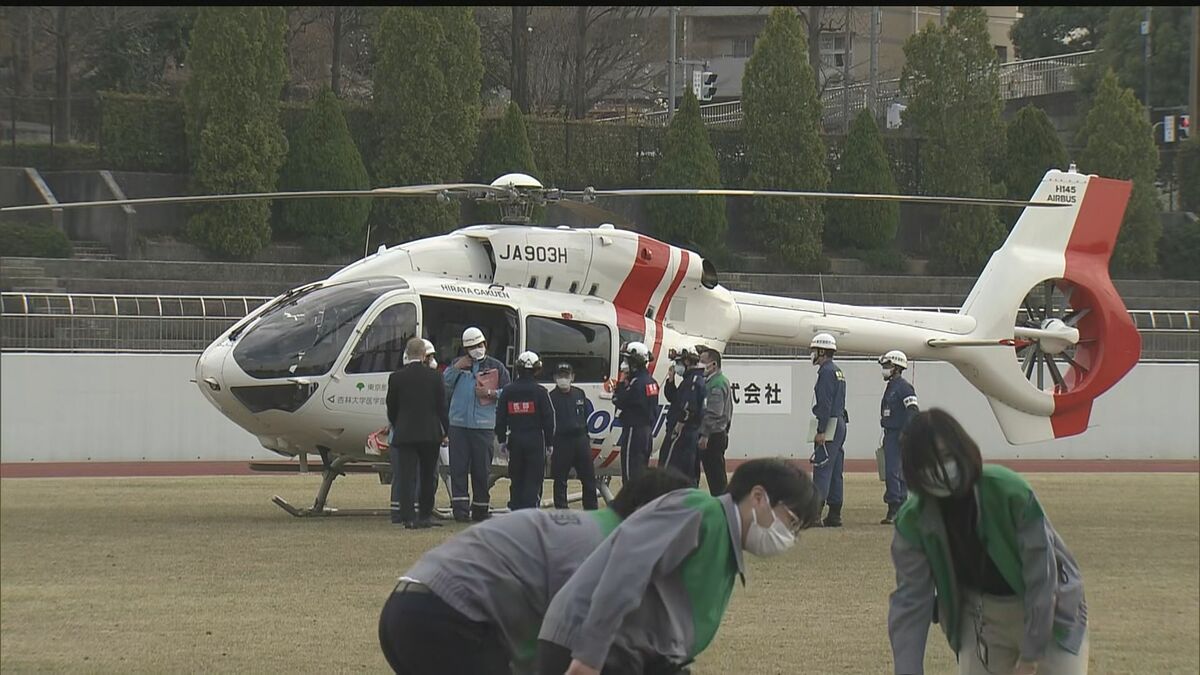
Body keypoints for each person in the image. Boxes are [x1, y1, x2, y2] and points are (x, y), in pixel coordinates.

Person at [378, 467, 694, 675]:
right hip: (448, 620)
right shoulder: (608, 548)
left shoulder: (585, 529)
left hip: (407, 608)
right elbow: (571, 643)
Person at [535, 458, 824, 675]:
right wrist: (588, 656)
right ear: (758, 497)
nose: (790, 536)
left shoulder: (726, 544)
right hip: (589, 649)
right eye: (792, 522)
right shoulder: (701, 512)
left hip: (632, 657)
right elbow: (626, 570)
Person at [888, 409, 1089, 675]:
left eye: (946, 456)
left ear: (962, 449)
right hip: (981, 619)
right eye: (927, 463)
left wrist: (1030, 657)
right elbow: (910, 603)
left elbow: (1042, 578)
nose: (939, 468)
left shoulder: (1010, 492)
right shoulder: (912, 521)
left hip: (1050, 613)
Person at [444, 326, 512, 522]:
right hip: (458, 425)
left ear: (485, 344)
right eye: (472, 346)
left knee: (481, 470)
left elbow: (508, 393)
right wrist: (456, 369)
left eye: (479, 345)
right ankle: (460, 511)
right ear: (465, 348)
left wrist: (490, 394)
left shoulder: (497, 367)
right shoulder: (457, 365)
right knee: (458, 469)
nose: (477, 349)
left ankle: (481, 509)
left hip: (483, 426)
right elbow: (443, 386)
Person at [386, 337, 450, 529]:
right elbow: (442, 407)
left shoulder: (396, 377)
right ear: (424, 355)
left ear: (407, 354)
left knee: (407, 476)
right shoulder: (435, 376)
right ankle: (424, 515)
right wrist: (445, 430)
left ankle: (408, 516)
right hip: (430, 433)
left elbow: (392, 407)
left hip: (405, 433)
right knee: (428, 475)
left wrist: (398, 424)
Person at [496, 351, 556, 511]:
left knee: (516, 476)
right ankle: (530, 508)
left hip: (514, 438)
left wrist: (502, 439)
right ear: (537, 370)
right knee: (534, 476)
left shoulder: (508, 391)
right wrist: (550, 443)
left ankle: (515, 507)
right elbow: (549, 419)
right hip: (535, 439)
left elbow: (500, 416)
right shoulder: (541, 392)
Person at [809, 332, 848, 528]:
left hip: (830, 423)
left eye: (815, 350)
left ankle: (815, 514)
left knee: (822, 467)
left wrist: (821, 430)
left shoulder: (825, 372)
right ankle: (835, 513)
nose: (813, 354)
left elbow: (824, 404)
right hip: (840, 421)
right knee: (835, 470)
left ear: (822, 351)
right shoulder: (838, 371)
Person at [548, 363, 598, 510]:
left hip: (580, 440)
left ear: (572, 377)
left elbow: (586, 415)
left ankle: (591, 510)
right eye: (560, 376)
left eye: (566, 376)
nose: (563, 379)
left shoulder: (579, 393)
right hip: (561, 441)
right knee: (560, 479)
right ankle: (561, 511)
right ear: (555, 378)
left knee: (589, 478)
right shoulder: (550, 397)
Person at [878, 349, 919, 525]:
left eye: (888, 366)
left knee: (893, 471)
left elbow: (913, 410)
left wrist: (906, 432)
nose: (884, 369)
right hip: (891, 433)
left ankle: (895, 506)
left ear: (896, 368)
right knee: (895, 470)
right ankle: (900, 506)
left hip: (899, 434)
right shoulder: (891, 387)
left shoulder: (904, 387)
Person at [612, 341, 659, 484]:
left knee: (629, 473)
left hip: (634, 430)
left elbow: (619, 400)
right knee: (641, 472)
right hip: (647, 432)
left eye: (627, 360)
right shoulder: (651, 382)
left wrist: (620, 383)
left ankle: (630, 504)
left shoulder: (636, 383)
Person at [658, 348, 706, 486]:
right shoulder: (689, 380)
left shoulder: (694, 381)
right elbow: (675, 399)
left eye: (678, 362)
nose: (676, 366)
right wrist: (671, 380)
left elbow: (688, 408)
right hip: (687, 432)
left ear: (687, 361)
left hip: (684, 432)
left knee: (670, 466)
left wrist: (678, 426)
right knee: (686, 469)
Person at [697, 348, 733, 496]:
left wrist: (705, 434)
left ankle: (722, 508)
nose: (700, 365)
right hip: (718, 433)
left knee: (716, 478)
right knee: (716, 475)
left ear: (713, 364)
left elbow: (714, 413)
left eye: (703, 362)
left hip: (713, 435)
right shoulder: (716, 381)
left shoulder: (716, 384)